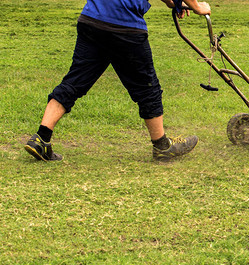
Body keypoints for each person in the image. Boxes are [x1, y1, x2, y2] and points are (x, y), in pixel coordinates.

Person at [24, 0, 211, 162]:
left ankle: (41, 138)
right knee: (147, 87)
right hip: (125, 27)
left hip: (92, 21)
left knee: (74, 82)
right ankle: (162, 146)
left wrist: (175, 3)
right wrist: (197, 6)